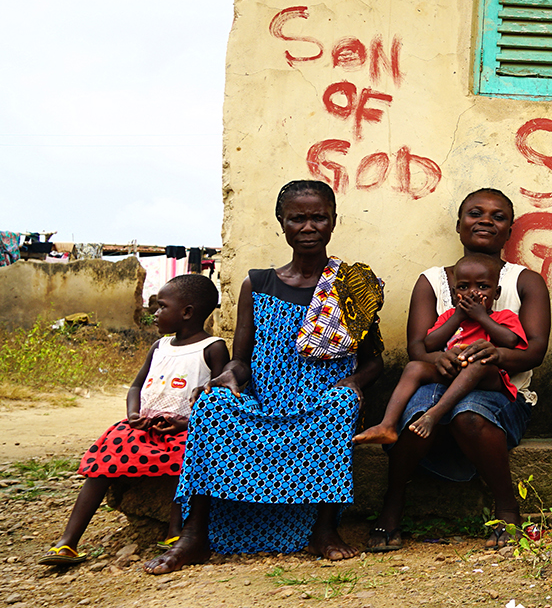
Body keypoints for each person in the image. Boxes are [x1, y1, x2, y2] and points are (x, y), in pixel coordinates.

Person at [144, 180, 385, 574]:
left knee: (340, 406)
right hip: (265, 399)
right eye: (298, 219)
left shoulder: (350, 285)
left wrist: (354, 384)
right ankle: (195, 536)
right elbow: (240, 360)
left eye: (319, 218)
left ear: (333, 222)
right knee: (213, 405)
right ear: (282, 223)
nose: (309, 227)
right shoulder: (257, 283)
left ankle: (323, 530)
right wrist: (227, 377)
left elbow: (372, 360)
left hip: (320, 403)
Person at [369, 188, 551, 553]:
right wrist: (440, 359)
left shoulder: (524, 281)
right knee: (417, 410)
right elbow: (418, 348)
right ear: (458, 224)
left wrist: (493, 354)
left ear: (510, 231)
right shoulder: (433, 281)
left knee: (469, 415)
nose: (485, 221)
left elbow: (535, 352)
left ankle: (506, 507)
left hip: (501, 392)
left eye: (498, 216)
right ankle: (393, 503)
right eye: (475, 213)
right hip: (442, 379)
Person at [40, 275, 229, 567]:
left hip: (186, 430)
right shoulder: (159, 347)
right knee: (106, 456)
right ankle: (68, 542)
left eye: (161, 307)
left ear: (187, 312)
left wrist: (188, 423)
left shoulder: (213, 347)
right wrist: (133, 414)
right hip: (144, 428)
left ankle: (175, 531)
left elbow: (219, 397)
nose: (154, 314)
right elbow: (135, 387)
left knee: (193, 458)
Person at [354, 252, 526, 445]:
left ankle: (434, 414)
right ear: (453, 294)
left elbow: (511, 340)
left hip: (488, 376)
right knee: (414, 368)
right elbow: (429, 344)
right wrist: (457, 317)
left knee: (478, 362)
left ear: (496, 293)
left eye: (483, 287)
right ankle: (387, 425)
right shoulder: (449, 317)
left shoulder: (503, 317)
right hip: (453, 372)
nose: (473, 293)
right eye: (463, 287)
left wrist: (481, 317)